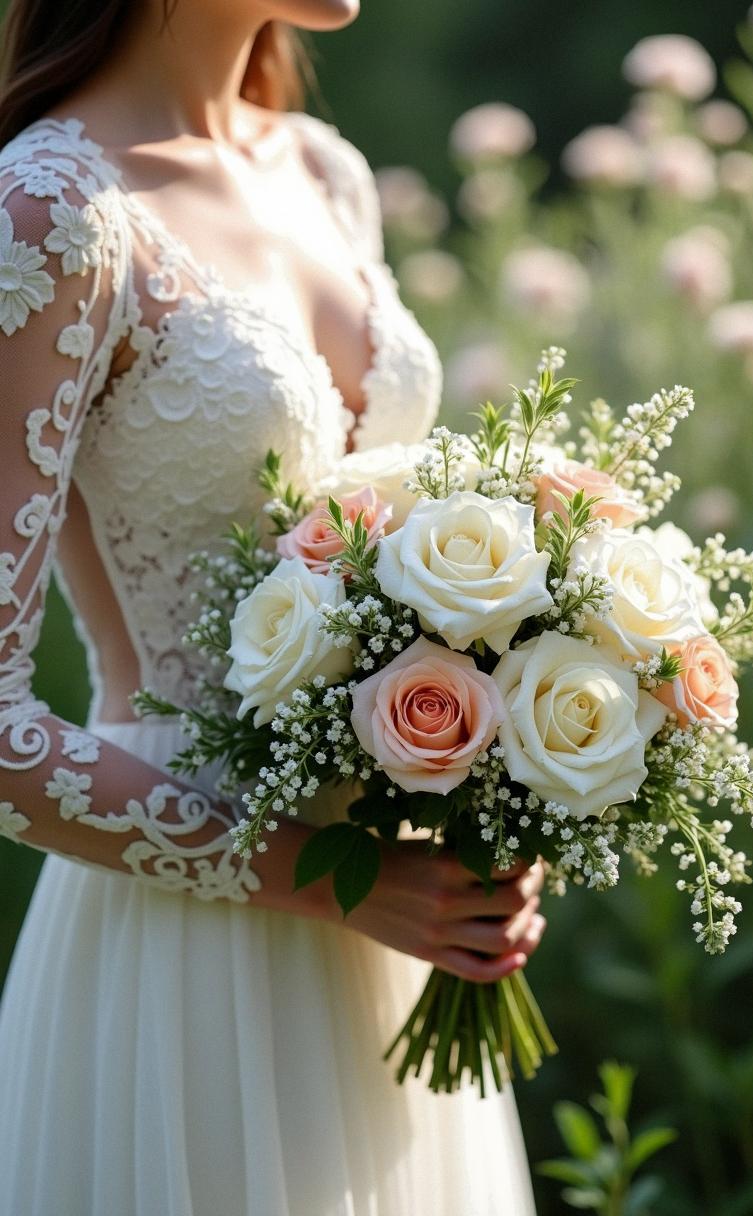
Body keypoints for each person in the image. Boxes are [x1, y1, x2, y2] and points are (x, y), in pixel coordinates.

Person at [0, 1, 545, 1211]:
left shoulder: (322, 170)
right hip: (187, 946)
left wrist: (512, 782)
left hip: (405, 920)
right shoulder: (50, 211)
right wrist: (326, 877)